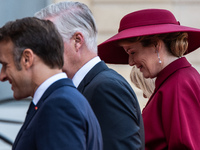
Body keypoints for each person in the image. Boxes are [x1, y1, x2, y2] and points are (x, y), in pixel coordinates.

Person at [35, 1, 145, 150]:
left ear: (77, 41)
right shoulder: (86, 86)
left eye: (49, 42)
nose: (41, 52)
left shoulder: (105, 88)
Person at [98, 8, 200, 149]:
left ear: (156, 45)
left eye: (133, 52)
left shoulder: (178, 84)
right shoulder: (178, 80)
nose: (130, 62)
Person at [0, 17, 102, 150]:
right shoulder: (60, 100)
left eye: (5, 65)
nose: (2, 76)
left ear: (27, 59)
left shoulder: (59, 105)